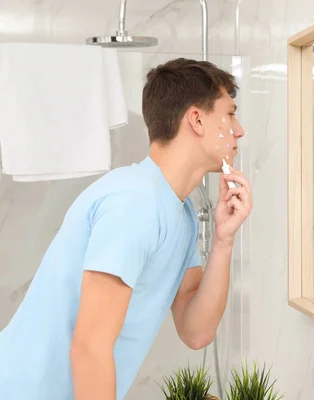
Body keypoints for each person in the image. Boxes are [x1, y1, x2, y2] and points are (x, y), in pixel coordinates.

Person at [0, 58, 252, 400]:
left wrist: (223, 239)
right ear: (196, 119)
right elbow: (90, 347)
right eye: (230, 114)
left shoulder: (181, 212)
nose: (239, 130)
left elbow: (196, 331)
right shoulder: (135, 203)